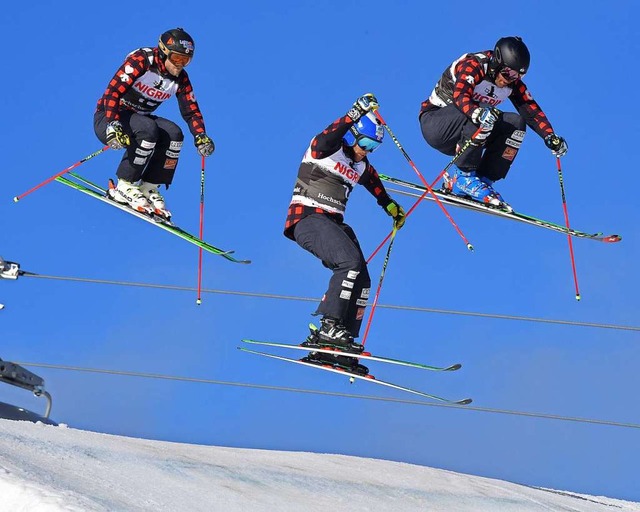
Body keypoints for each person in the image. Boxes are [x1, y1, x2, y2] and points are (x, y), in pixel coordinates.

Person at [283, 94, 406, 371]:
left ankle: (343, 339)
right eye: (365, 142)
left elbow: (373, 183)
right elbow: (332, 131)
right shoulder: (325, 148)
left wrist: (389, 205)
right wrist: (354, 113)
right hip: (308, 218)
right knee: (348, 263)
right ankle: (329, 327)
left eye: (374, 145)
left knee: (362, 276)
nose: (367, 150)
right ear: (353, 135)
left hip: (332, 222)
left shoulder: (360, 164)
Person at [419, 36, 568, 211]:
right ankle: (464, 176)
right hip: (437, 124)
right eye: (507, 73)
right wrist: (477, 113)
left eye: (517, 76)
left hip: (467, 134)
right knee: (486, 113)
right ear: (497, 62)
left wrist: (550, 136)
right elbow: (461, 96)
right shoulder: (474, 65)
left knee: (516, 123)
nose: (509, 79)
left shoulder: (512, 84)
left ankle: (482, 180)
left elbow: (531, 111)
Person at [94, 27, 215, 220]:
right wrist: (113, 124)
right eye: (176, 59)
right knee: (148, 129)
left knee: (174, 134)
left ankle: (149, 186)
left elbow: (191, 111)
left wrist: (201, 136)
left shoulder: (180, 79)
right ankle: (125, 184)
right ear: (164, 52)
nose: (179, 65)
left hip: (139, 119)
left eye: (185, 61)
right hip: (110, 117)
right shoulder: (142, 61)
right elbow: (112, 92)